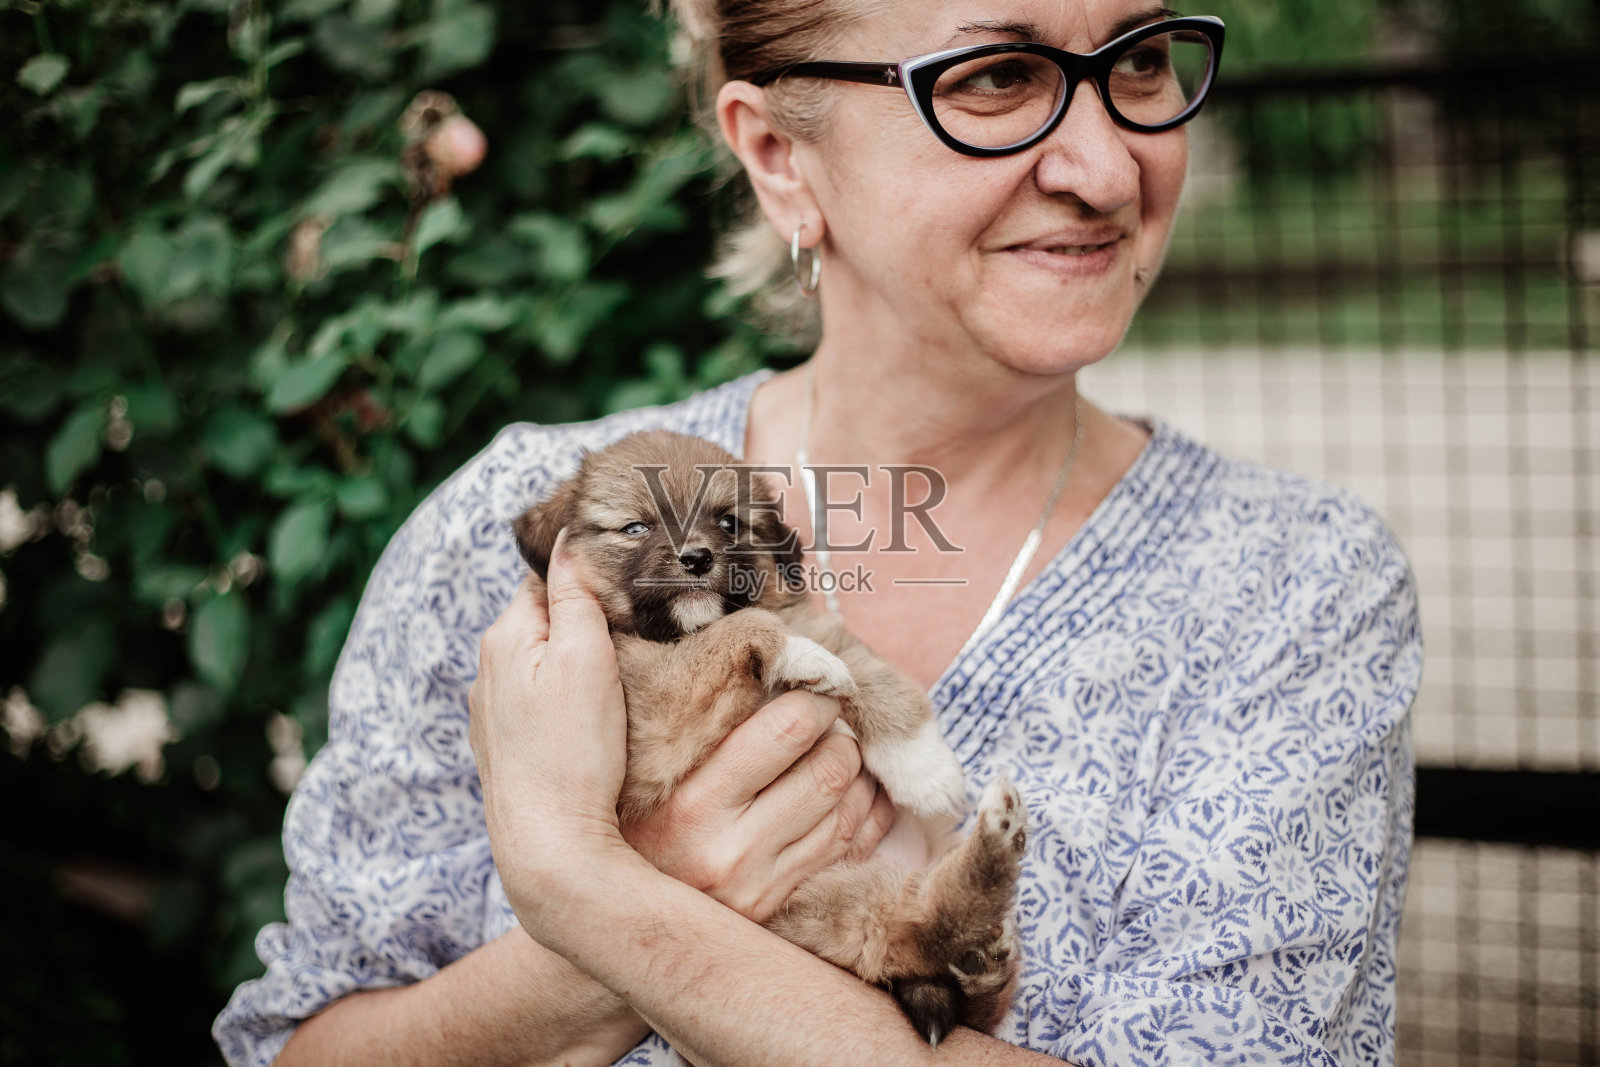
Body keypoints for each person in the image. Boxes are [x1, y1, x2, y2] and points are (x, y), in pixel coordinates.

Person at [214, 1, 1422, 1064]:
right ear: (779, 156)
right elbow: (307, 1045)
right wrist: (660, 914)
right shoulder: (525, 526)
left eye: (1141, 58)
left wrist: (589, 889)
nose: (1108, 169)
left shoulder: (1290, 586)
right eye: (996, 75)